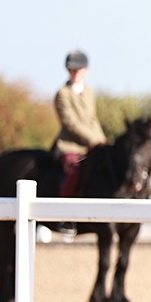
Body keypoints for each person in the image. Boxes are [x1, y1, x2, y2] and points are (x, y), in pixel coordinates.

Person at [52, 49, 107, 198]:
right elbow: (71, 123)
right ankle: (65, 205)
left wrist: (103, 141)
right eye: (72, 70)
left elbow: (93, 119)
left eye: (79, 70)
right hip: (71, 145)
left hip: (92, 145)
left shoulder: (89, 91)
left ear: (85, 71)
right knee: (74, 171)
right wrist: (94, 140)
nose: (75, 74)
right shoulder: (63, 93)